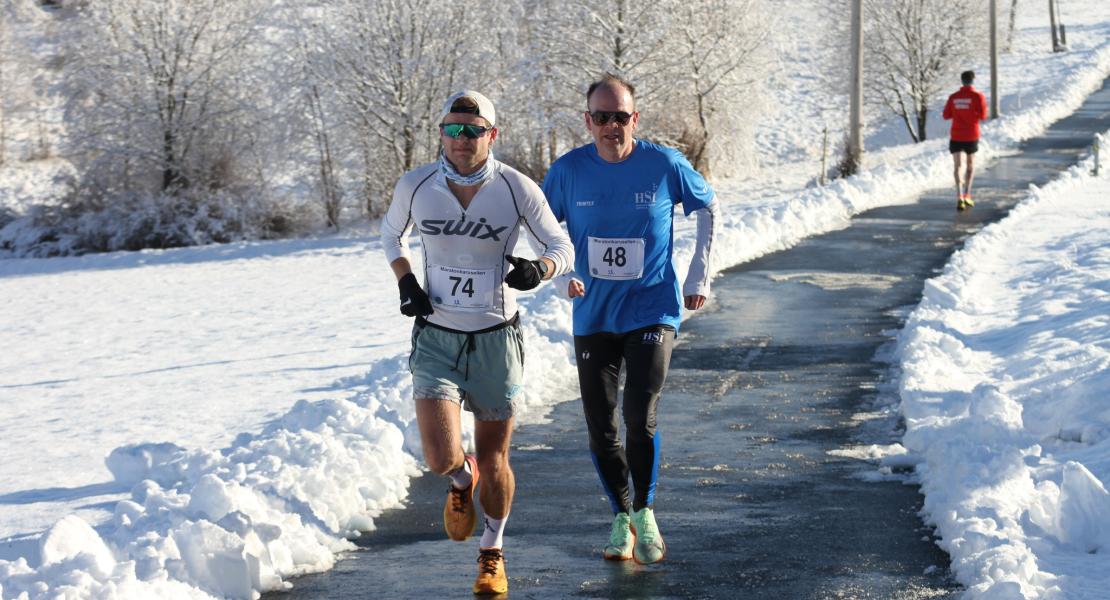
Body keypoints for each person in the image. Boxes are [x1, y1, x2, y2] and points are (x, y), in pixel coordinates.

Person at [381, 90, 573, 594]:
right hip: (438, 337)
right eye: (452, 128)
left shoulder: (516, 188)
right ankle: (460, 483)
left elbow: (562, 247)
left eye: (473, 129)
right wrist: (406, 281)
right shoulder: (416, 184)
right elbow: (390, 236)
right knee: (442, 458)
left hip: (495, 339)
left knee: (496, 461)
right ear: (441, 132)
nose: (461, 139)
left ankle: (492, 551)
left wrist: (540, 268)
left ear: (492, 134)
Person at [541, 73, 718, 565]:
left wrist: (699, 276)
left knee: (640, 416)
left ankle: (645, 510)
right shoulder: (568, 171)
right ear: (588, 121)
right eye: (602, 117)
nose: (611, 126)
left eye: (621, 116)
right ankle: (621, 516)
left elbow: (708, 206)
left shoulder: (664, 164)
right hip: (594, 313)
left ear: (634, 119)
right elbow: (536, 223)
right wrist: (559, 273)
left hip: (652, 309)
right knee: (601, 424)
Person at [943, 70, 988, 211]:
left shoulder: (953, 97)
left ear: (961, 81)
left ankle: (959, 196)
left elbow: (946, 115)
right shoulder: (977, 96)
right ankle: (967, 194)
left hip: (956, 135)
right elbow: (983, 115)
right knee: (970, 164)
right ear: (973, 80)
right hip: (971, 135)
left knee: (957, 166)